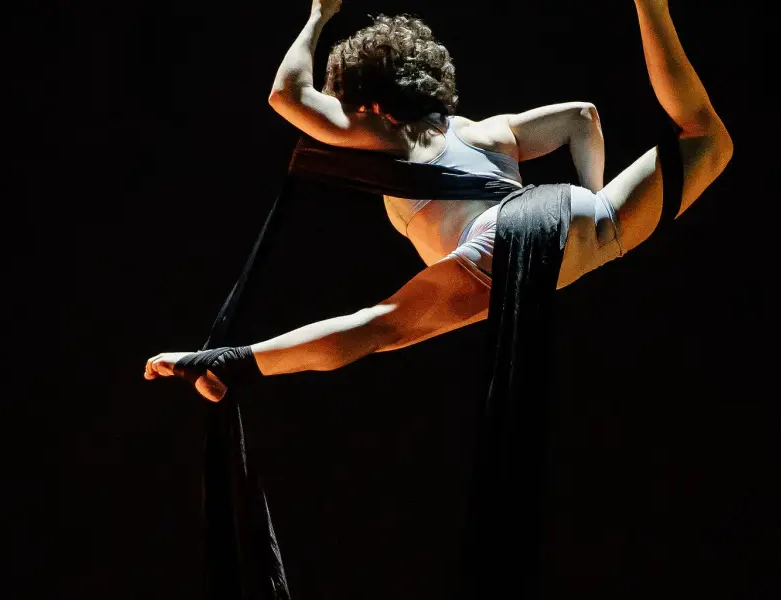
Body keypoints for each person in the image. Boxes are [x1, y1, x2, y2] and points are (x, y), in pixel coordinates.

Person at [145, 0, 733, 401]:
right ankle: (649, 7)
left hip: (496, 248)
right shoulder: (483, 129)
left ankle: (231, 360)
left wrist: (320, 12)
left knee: (378, 328)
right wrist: (586, 199)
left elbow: (286, 95)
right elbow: (584, 117)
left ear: (365, 101)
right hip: (579, 226)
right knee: (707, 135)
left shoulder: (389, 134)